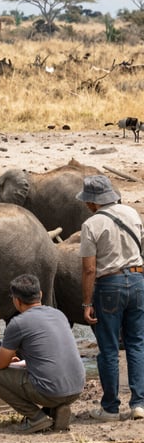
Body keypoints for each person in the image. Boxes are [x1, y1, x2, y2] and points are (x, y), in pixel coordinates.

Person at [78, 174, 144, 421]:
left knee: (108, 348)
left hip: (109, 285)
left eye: (87, 201)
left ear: (93, 201)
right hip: (137, 280)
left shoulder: (91, 224)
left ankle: (110, 408)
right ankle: (139, 404)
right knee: (137, 344)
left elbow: (89, 269)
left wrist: (87, 303)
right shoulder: (132, 213)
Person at [0, 274, 85, 433]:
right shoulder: (58, 314)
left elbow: (0, 365)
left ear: (17, 301)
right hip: (76, 388)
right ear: (40, 294)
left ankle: (36, 418)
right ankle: (55, 409)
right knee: (43, 372)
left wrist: (11, 359)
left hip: (51, 391)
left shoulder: (18, 323)